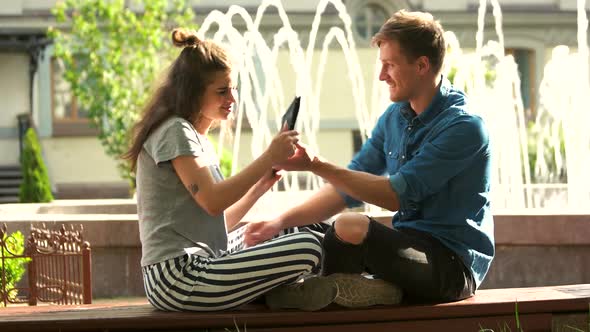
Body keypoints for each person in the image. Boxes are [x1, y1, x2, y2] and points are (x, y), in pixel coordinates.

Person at [245, 10, 495, 304]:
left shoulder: (464, 127)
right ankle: (350, 290)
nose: (381, 75)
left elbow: (395, 197)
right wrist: (278, 222)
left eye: (389, 65)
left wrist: (316, 165)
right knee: (298, 230)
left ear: (422, 65)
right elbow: (344, 191)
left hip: (449, 267)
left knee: (350, 226)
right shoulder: (394, 118)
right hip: (404, 249)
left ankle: (328, 293)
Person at [122, 28, 338, 312]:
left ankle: (285, 293)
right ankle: (334, 287)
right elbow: (212, 202)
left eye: (233, 88)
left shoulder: (195, 138)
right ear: (193, 93)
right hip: (179, 279)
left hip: (201, 264)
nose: (232, 99)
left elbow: (216, 224)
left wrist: (260, 186)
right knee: (309, 245)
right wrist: (268, 156)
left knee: (278, 229)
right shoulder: (175, 130)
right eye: (222, 91)